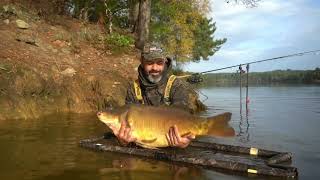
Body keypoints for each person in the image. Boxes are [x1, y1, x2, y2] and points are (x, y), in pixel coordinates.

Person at [109, 47, 203, 148]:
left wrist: (185, 142)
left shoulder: (177, 85)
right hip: (143, 143)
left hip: (171, 142)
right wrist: (123, 140)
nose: (155, 68)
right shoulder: (133, 88)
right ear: (142, 62)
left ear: (165, 63)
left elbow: (184, 114)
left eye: (159, 63)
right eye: (149, 63)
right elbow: (126, 129)